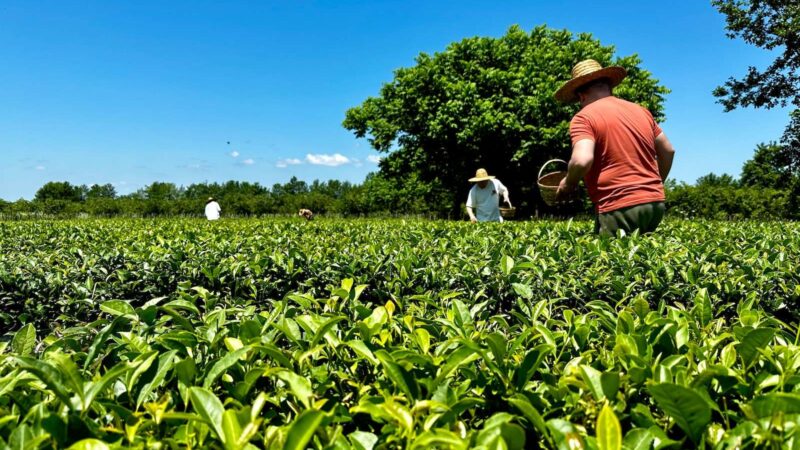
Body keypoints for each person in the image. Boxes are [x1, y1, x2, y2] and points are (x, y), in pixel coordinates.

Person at [554, 59, 676, 236]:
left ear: (581, 96)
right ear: (609, 87)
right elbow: (668, 150)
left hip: (618, 204)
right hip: (655, 204)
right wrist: (654, 184)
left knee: (607, 261)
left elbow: (582, 160)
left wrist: (568, 183)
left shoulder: (584, 117)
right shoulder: (641, 111)